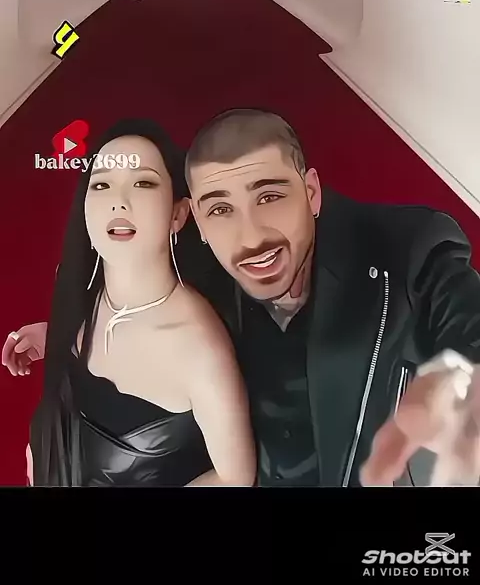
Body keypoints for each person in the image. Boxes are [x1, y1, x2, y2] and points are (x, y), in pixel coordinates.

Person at [5, 109, 480, 486]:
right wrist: (63, 333)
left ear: (311, 192)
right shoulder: (203, 268)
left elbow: (466, 329)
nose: (250, 236)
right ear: (196, 220)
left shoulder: (409, 252)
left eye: (269, 196)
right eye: (221, 209)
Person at [8, 118, 255, 487]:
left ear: (178, 214)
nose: (118, 202)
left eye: (143, 183)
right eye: (101, 184)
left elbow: (235, 478)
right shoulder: (79, 285)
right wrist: (56, 336)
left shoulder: (200, 351)